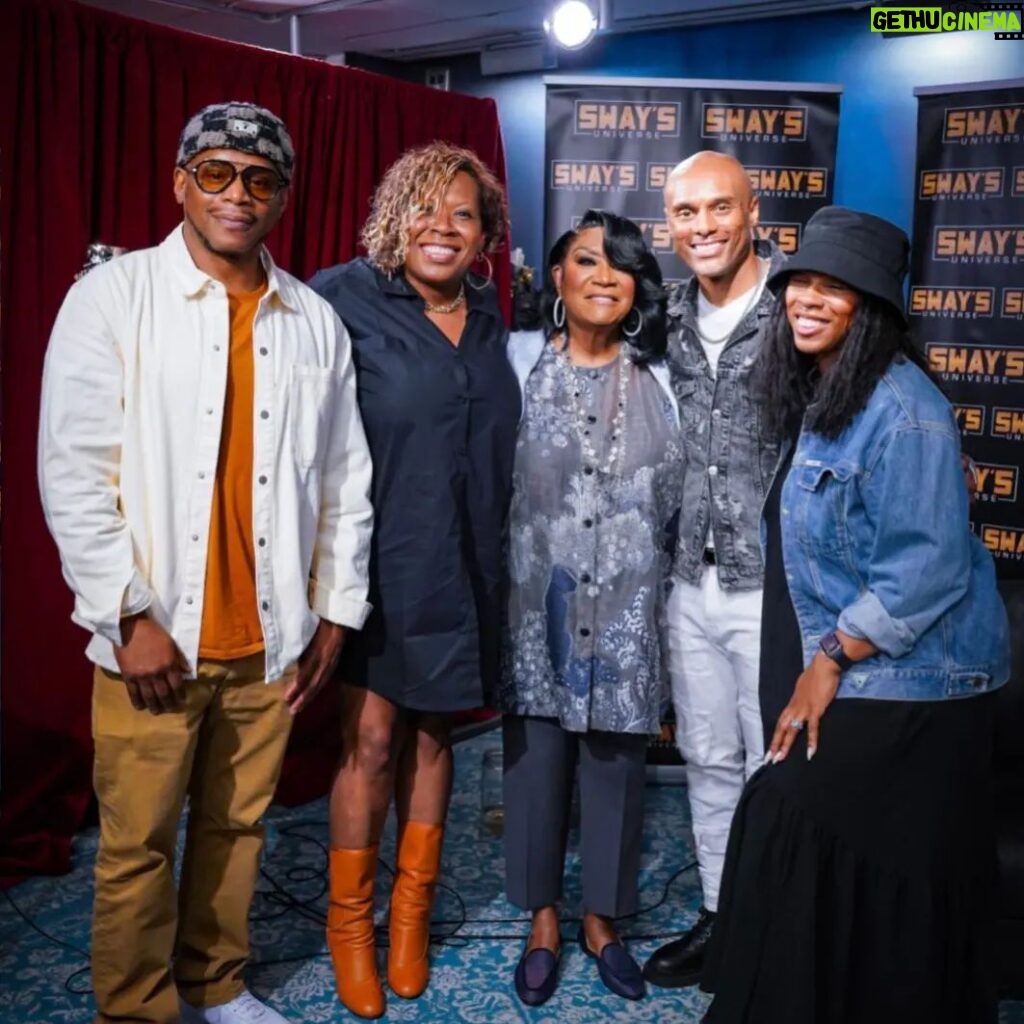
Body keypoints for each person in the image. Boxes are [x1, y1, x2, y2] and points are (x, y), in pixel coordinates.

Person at [37, 102, 373, 1024]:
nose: (238, 195)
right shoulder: (114, 297)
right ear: (181, 181)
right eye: (217, 173)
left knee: (237, 826)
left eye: (260, 180)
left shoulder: (312, 320)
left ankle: (217, 983)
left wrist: (335, 612)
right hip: (154, 636)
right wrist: (125, 616)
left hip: (269, 636)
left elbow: (346, 480)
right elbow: (72, 470)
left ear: (282, 198)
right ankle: (139, 1006)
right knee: (138, 842)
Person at [702, 206, 1010, 1023]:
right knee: (778, 810)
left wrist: (828, 662)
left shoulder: (904, 411)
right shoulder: (830, 388)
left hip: (926, 674)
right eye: (801, 280)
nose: (807, 299)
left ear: (870, 309)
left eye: (834, 289)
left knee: (786, 811)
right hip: (880, 655)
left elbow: (927, 568)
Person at [309, 142, 519, 1020]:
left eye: (464, 215)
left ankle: (409, 918)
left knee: (436, 740)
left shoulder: (487, 316)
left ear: (486, 236)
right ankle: (349, 927)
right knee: (372, 743)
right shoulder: (338, 297)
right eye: (427, 208)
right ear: (393, 212)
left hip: (468, 562)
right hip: (380, 564)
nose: (444, 226)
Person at [501, 210, 681, 1006]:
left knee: (615, 771)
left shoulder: (668, 378)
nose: (603, 276)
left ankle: (600, 920)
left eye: (619, 265)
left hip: (631, 614)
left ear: (638, 284)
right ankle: (543, 919)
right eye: (585, 261)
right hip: (536, 608)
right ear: (558, 280)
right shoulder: (513, 362)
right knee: (537, 764)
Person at [643, 150, 784, 988]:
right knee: (705, 754)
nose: (703, 227)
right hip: (687, 581)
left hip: (775, 586)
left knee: (778, 765)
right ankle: (721, 916)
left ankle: (776, 923)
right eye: (686, 213)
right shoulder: (662, 312)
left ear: (753, 210)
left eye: (719, 209)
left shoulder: (802, 305)